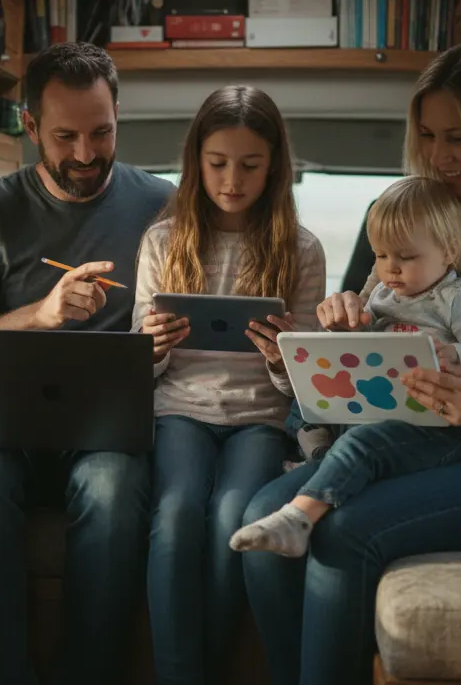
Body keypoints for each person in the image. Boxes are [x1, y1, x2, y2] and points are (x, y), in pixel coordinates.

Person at [239, 39, 461, 685]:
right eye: (429, 136)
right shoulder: (418, 212)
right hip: (413, 434)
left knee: (342, 533)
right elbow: (366, 335)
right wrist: (338, 323)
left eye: (460, 138)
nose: (439, 157)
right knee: (259, 516)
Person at [0, 41, 174, 685]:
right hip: (1, 424)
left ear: (118, 116)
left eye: (102, 133)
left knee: (114, 488)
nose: (86, 155)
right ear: (31, 127)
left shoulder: (163, 204)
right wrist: (40, 315)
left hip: (107, 426)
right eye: (65, 136)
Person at [134, 85, 326, 685]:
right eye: (217, 164)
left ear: (275, 168)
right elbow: (139, 367)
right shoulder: (162, 241)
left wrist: (280, 358)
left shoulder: (302, 249)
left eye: (250, 165)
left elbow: (304, 388)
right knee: (174, 514)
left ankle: (213, 668)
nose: (232, 180)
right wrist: (153, 347)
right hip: (178, 409)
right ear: (196, 162)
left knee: (230, 520)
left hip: (260, 416)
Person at [229, 175, 461, 557]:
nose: (390, 269)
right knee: (312, 395)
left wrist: (457, 356)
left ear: (447, 252)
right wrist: (342, 335)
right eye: (380, 256)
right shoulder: (380, 293)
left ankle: (298, 517)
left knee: (362, 442)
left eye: (406, 257)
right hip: (375, 408)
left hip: (436, 427)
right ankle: (319, 454)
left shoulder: (456, 300)